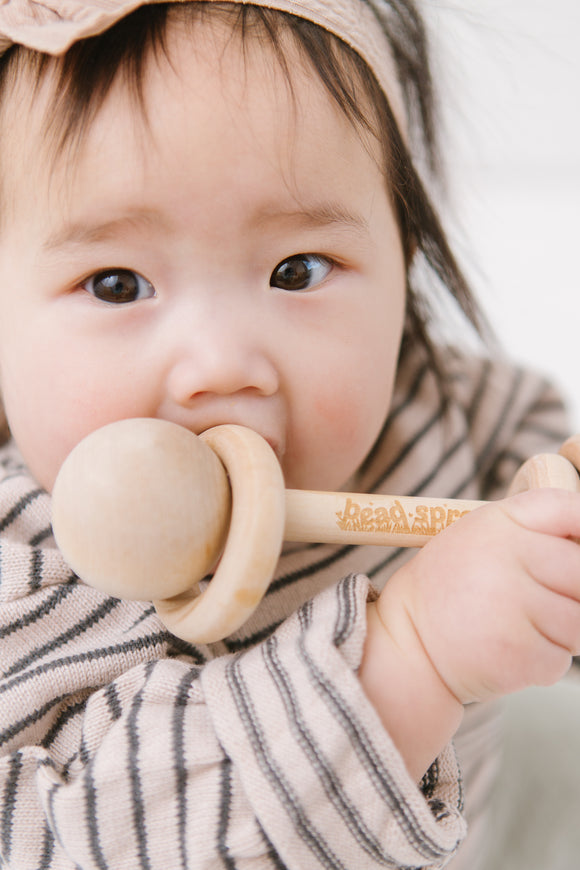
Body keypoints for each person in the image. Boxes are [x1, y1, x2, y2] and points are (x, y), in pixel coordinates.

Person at [0, 1, 577, 868]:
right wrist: (408, 659)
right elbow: (79, 842)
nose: (223, 364)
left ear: (404, 268)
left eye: (296, 271)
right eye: (117, 283)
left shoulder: (443, 412)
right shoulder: (22, 577)